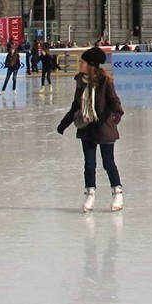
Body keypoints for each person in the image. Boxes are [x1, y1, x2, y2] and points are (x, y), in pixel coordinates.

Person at [56, 47, 125, 212]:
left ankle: (117, 193)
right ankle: (90, 195)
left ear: (91, 65)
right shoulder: (80, 82)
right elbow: (76, 106)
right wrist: (63, 124)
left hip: (104, 128)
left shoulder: (105, 82)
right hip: (87, 128)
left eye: (83, 62)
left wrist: (117, 114)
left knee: (108, 163)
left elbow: (114, 100)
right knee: (89, 164)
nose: (80, 64)